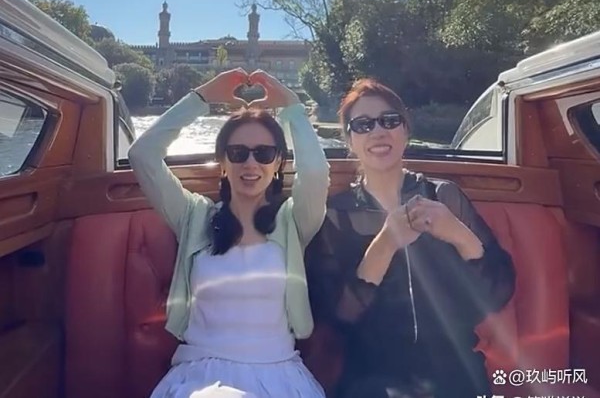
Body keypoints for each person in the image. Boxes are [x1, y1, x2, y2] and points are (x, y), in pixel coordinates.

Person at [305, 78, 516, 398]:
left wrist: (460, 235)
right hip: (372, 378)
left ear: (405, 131)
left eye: (389, 120)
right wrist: (384, 245)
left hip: (454, 370)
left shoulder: (444, 196)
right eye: (363, 125)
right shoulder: (337, 214)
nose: (378, 131)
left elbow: (497, 294)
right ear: (350, 140)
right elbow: (340, 316)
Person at [128, 68, 329, 397]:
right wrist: (201, 98)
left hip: (278, 374)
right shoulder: (194, 216)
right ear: (222, 162)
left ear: (278, 163)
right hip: (201, 374)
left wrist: (293, 108)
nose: (250, 163)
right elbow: (143, 155)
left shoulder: (293, 222)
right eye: (237, 153)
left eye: (264, 153)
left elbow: (316, 172)